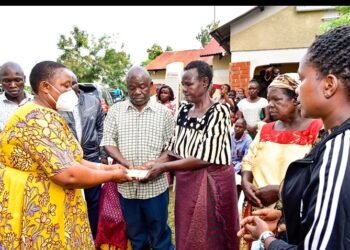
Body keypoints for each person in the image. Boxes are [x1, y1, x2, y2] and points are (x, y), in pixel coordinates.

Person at [238, 24, 350, 250]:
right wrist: (284, 222)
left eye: (303, 79)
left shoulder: (340, 147)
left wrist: (266, 239)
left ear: (329, 85)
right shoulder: (336, 140)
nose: (298, 90)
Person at [0, 60, 131, 249]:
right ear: (45, 87)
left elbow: (72, 158)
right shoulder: (37, 118)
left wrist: (106, 167)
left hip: (51, 201)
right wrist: (112, 175)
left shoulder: (47, 113)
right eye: (66, 85)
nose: (72, 91)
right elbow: (67, 174)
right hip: (38, 207)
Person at [142, 60, 240, 250]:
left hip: (212, 185)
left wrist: (163, 167)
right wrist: (154, 163)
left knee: (211, 236)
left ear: (204, 83)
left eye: (189, 84)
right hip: (187, 183)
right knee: (187, 231)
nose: (184, 89)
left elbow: (205, 157)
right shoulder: (183, 110)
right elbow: (173, 147)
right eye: (182, 85)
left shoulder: (219, 111)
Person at [100, 66, 175, 250]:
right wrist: (126, 164)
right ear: (127, 88)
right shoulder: (116, 111)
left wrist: (156, 165)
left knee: (160, 234)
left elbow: (171, 147)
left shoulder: (164, 113)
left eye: (142, 86)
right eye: (132, 87)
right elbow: (108, 142)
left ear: (151, 87)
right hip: (126, 187)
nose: (137, 92)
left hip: (155, 187)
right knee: (135, 235)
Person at [59, 70, 107, 239]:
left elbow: (102, 128)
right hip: (67, 161)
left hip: (91, 157)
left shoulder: (93, 102)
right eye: (66, 84)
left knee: (93, 201)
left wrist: (102, 154)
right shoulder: (57, 105)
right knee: (71, 201)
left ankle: (93, 237)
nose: (70, 87)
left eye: (73, 83)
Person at [0, 61, 33, 132]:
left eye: (17, 80)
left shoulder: (37, 102)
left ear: (24, 79)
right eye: (6, 81)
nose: (13, 85)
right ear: (0, 81)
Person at [231, 118, 252, 195]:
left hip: (240, 165)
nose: (237, 128)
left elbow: (246, 158)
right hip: (229, 162)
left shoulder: (248, 140)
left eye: (240, 127)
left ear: (245, 128)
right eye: (236, 126)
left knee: (239, 181)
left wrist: (235, 168)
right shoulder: (230, 135)